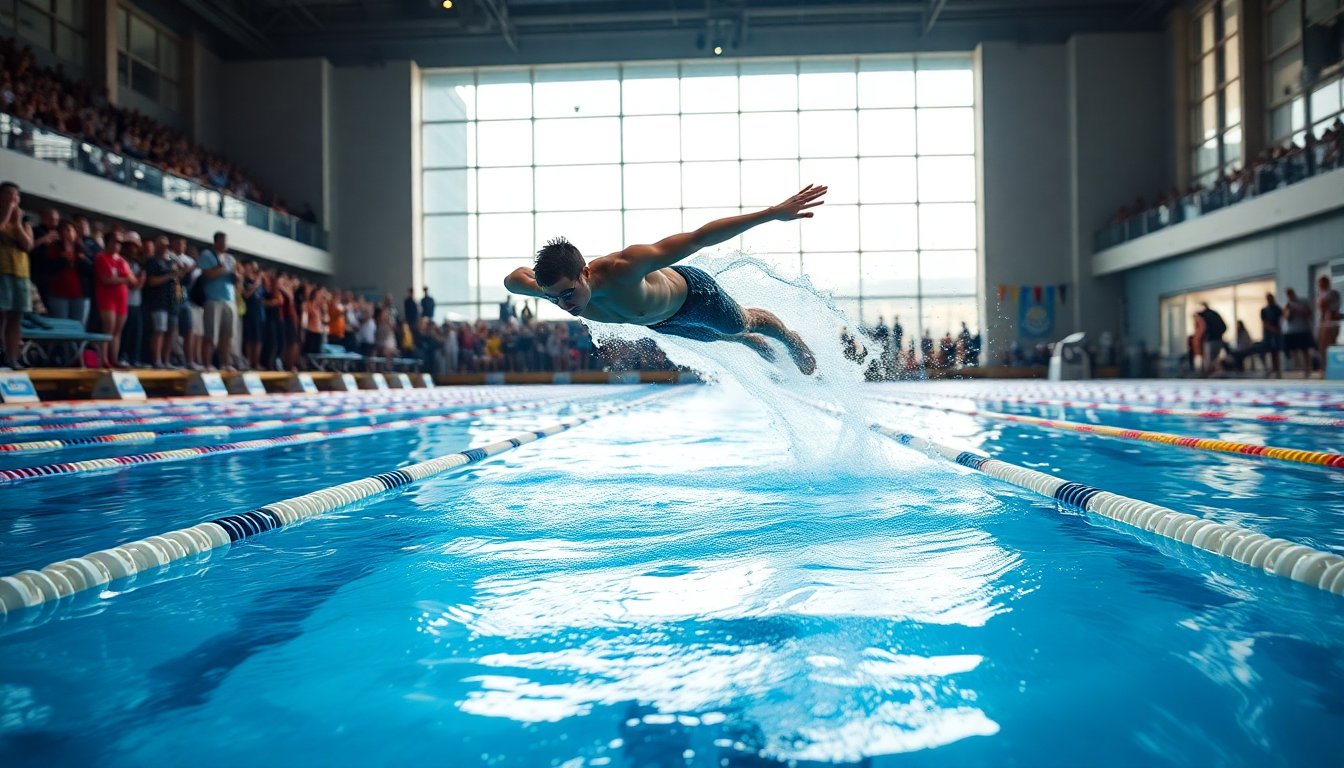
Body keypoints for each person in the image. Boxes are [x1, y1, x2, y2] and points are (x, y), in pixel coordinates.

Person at [504, 185, 825, 374]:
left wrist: (771, 214)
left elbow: (700, 237)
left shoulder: (624, 268)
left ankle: (789, 338)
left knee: (740, 324)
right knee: (728, 338)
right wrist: (545, 288)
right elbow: (512, 280)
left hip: (695, 296)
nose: (564, 305)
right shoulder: (556, 291)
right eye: (554, 298)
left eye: (568, 294)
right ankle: (752, 343)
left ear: (585, 272)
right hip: (662, 323)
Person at [0, 182, 34, 368]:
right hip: (2, 270)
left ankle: (12, 358)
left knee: (16, 317)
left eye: (16, 195)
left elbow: (28, 245)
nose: (13, 198)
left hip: (20, 273)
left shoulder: (24, 220)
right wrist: (6, 214)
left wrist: (18, 224)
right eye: (9, 194)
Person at [196, 231, 236, 370]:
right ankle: (207, 364)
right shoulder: (207, 255)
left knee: (228, 336)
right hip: (213, 299)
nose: (226, 244)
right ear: (216, 242)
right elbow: (207, 274)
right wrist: (223, 269)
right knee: (210, 335)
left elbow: (235, 276)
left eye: (226, 241)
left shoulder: (230, 258)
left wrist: (237, 276)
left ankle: (226, 363)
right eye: (223, 241)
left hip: (229, 300)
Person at [93, 236, 134, 368]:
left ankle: (114, 359)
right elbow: (106, 279)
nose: (117, 245)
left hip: (121, 298)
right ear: (108, 242)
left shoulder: (122, 260)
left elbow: (132, 280)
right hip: (107, 297)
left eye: (119, 243)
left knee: (117, 330)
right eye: (115, 242)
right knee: (108, 328)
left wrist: (135, 280)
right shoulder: (101, 257)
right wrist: (124, 280)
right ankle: (104, 359)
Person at [1284, 287, 1313, 376]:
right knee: (1294, 351)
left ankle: (1307, 369)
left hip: (1303, 329)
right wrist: (1289, 310)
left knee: (1305, 350)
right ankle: (1296, 368)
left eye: (1290, 293)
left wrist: (1296, 309)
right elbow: (1286, 317)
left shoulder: (1303, 301)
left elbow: (1308, 313)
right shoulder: (1287, 304)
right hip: (1292, 331)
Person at [1316, 274, 1341, 377]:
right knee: (1322, 347)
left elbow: (1325, 306)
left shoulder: (1332, 293)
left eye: (1322, 283)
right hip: (1323, 323)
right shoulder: (1320, 294)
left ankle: (1330, 368)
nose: (1320, 285)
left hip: (1331, 324)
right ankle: (1323, 368)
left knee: (1329, 346)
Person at [1196, 302, 1226, 376]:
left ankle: (1211, 374)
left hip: (1211, 340)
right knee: (1214, 359)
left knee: (1210, 359)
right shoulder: (1214, 314)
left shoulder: (1205, 316)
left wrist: (1207, 335)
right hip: (1217, 339)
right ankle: (1217, 374)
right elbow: (1224, 327)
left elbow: (1202, 329)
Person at [1260, 292, 1283, 378]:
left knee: (1276, 351)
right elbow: (1264, 322)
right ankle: (1271, 368)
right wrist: (1271, 328)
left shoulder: (1277, 309)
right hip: (1268, 333)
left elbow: (1281, 319)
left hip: (1276, 332)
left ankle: (1277, 368)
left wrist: (1277, 330)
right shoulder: (1264, 310)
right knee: (1269, 351)